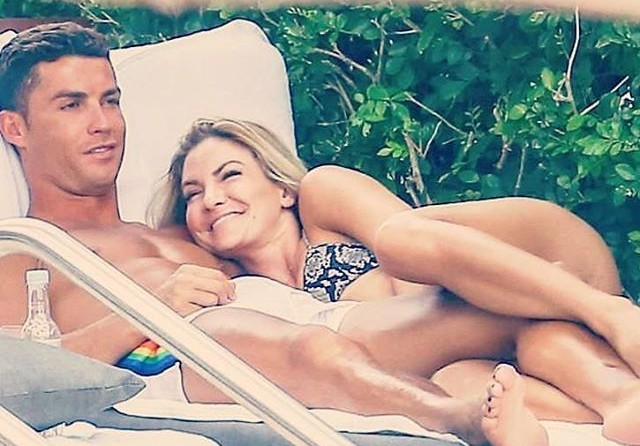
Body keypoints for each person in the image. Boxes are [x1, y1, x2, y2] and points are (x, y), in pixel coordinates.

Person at [0, 21, 552, 446]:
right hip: (176, 353)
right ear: (15, 127)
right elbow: (20, 376)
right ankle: (460, 422)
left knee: (490, 308)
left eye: (110, 100)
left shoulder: (189, 227)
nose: (102, 122)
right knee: (306, 346)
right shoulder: (24, 252)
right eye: (71, 105)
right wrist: (149, 309)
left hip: (303, 326)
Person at [156, 117, 640, 444]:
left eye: (230, 175)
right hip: (520, 325)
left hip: (547, 262)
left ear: (282, 189)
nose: (211, 199)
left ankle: (616, 317)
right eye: (193, 194)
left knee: (400, 240)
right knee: (458, 382)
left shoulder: (321, 199)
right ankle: (618, 404)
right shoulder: (247, 296)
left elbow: (429, 274)